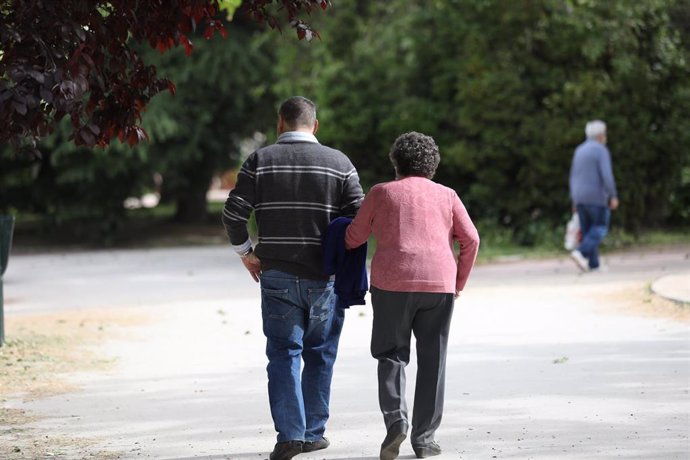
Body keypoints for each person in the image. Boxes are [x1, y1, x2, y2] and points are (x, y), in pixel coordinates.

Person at [221, 96, 364, 460]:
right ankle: (314, 433)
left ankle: (289, 436)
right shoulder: (339, 163)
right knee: (320, 353)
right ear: (315, 125)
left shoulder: (260, 160)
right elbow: (361, 221)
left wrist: (246, 253)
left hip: (277, 275)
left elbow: (233, 214)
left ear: (280, 123)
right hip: (325, 278)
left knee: (284, 354)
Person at [345, 132, 480, 459]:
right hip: (438, 286)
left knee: (391, 354)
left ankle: (396, 421)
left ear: (396, 162)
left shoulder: (381, 193)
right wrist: (458, 282)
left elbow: (353, 238)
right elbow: (471, 239)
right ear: (433, 165)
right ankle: (425, 439)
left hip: (391, 285)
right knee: (433, 358)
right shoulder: (448, 195)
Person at [569, 120, 619, 272]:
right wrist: (613, 195)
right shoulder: (600, 150)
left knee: (587, 231)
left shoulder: (579, 150)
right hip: (596, 197)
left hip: (579, 197)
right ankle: (581, 252)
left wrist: (574, 200)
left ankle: (593, 264)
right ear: (600, 135)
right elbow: (607, 175)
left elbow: (573, 176)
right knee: (599, 228)